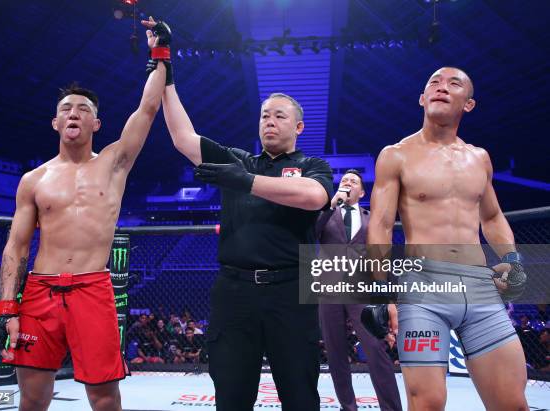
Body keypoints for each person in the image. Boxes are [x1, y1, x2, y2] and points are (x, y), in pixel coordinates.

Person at [0, 18, 171, 411]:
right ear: (56, 122)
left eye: (83, 109)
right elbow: (16, 246)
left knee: (104, 399)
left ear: (96, 123)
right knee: (33, 398)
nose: (74, 113)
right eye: (66, 108)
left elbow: (148, 107)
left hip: (93, 289)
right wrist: (7, 308)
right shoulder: (33, 180)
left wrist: (161, 54)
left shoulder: (114, 163)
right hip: (39, 293)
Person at [158, 42, 333, 408]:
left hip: (290, 291)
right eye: (265, 115)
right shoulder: (239, 159)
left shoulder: (313, 165)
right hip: (235, 291)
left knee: (300, 395)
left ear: (298, 126)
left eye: (279, 116)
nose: (270, 121)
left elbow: (314, 197)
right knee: (232, 396)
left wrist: (244, 181)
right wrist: (166, 75)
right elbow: (183, 138)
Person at [367, 67, 528, 410]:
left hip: (480, 289)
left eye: (453, 84)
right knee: (427, 402)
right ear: (423, 99)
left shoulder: (479, 158)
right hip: (423, 291)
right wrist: (380, 291)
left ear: (468, 104)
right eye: (434, 83)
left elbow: (492, 216)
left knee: (511, 402)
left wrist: (513, 261)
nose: (442, 87)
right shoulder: (396, 155)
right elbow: (380, 224)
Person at [316, 170, 402, 411]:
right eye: (344, 180)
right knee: (335, 352)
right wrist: (330, 206)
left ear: (362, 192)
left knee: (376, 348)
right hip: (329, 290)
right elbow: (310, 234)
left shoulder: (372, 218)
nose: (348, 183)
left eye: (353, 181)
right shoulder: (326, 213)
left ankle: (392, 408)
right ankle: (348, 406)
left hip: (362, 291)